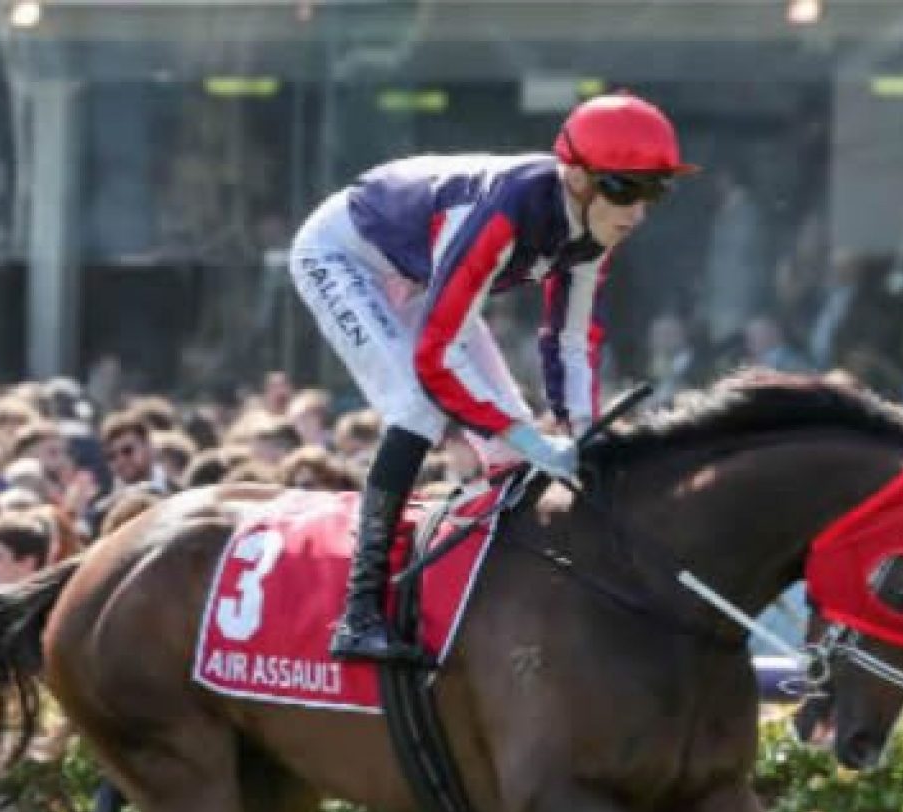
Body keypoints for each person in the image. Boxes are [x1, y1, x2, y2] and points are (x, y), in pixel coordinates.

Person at [288, 91, 697, 662]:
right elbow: (436, 359)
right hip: (343, 254)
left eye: (654, 190)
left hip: (420, 267)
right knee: (419, 406)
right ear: (575, 177)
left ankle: (494, 596)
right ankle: (359, 612)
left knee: (508, 454)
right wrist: (529, 438)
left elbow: (570, 340)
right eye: (624, 188)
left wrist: (579, 431)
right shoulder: (506, 214)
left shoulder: (594, 231)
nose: (638, 211)